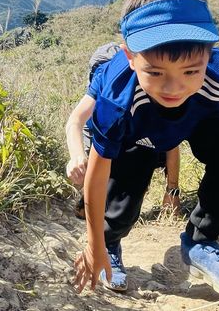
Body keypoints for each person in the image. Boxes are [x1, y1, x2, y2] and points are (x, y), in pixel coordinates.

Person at [73, 0, 219, 301]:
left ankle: (201, 244)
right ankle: (110, 245)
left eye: (191, 70)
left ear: (210, 54)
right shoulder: (117, 98)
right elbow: (97, 174)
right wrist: (93, 242)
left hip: (198, 115)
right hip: (137, 131)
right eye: (155, 71)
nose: (173, 87)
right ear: (131, 57)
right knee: (125, 202)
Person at [65, 42, 181, 217]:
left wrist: (172, 192)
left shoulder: (152, 96)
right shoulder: (103, 93)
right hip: (112, 142)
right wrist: (77, 157)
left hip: (141, 141)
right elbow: (75, 121)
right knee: (86, 206)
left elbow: (172, 142)